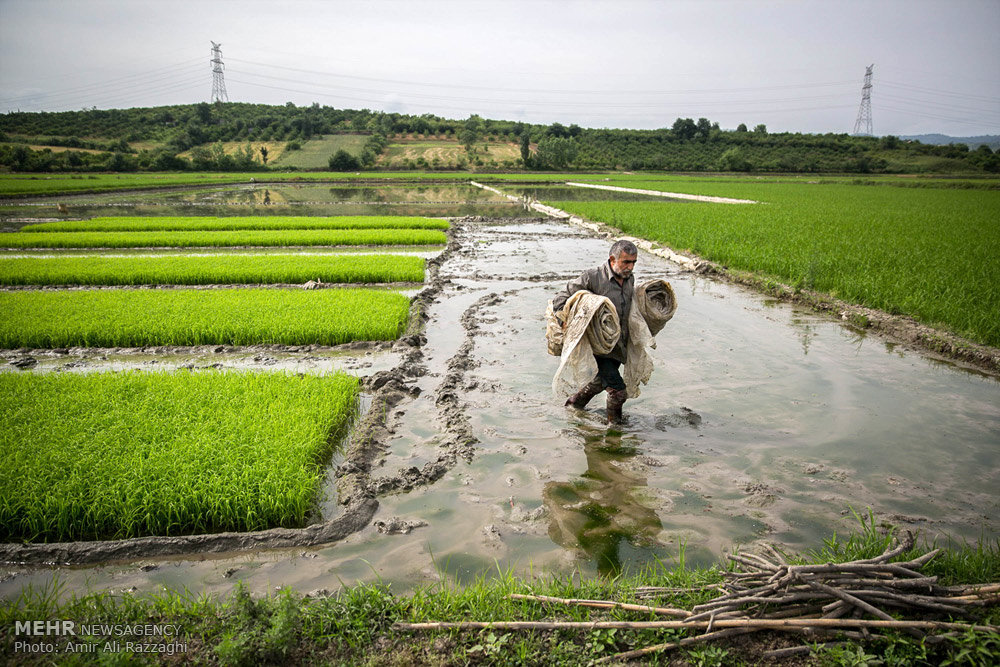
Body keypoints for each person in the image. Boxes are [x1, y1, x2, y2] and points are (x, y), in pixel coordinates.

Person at [552, 239, 638, 423]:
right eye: (626, 262)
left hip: (616, 345)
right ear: (612, 259)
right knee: (618, 391)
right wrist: (564, 322)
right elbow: (561, 298)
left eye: (633, 262)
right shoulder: (592, 277)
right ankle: (614, 431)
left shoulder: (630, 279)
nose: (630, 267)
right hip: (596, 346)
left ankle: (574, 405)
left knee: (599, 382)